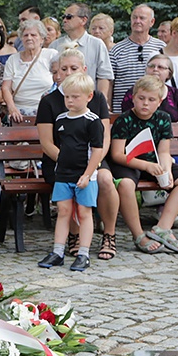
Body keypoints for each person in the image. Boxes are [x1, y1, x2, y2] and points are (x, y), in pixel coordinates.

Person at [37, 48, 119, 261]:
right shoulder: (49, 101)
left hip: (92, 158)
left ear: (83, 70)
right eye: (63, 69)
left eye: (74, 68)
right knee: (70, 186)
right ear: (57, 72)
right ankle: (73, 236)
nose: (68, 72)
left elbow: (104, 137)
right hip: (59, 160)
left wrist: (93, 163)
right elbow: (47, 143)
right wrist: (68, 161)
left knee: (105, 179)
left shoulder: (96, 97)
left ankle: (109, 234)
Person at [110, 75, 178, 254]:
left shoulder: (163, 118)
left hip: (153, 162)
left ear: (160, 101)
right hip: (128, 163)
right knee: (125, 185)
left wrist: (165, 170)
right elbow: (117, 154)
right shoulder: (124, 120)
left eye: (151, 100)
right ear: (133, 98)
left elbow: (163, 151)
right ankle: (139, 235)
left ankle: (163, 228)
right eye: (141, 98)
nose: (145, 104)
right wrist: (146, 166)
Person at [37, 73, 104, 272]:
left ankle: (83, 253)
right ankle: (58, 251)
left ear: (88, 97)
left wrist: (87, 174)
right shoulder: (60, 119)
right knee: (63, 211)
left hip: (85, 175)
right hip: (63, 174)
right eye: (67, 97)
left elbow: (97, 150)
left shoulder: (92, 121)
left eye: (75, 97)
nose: (70, 101)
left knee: (84, 213)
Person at [122, 54, 178, 169]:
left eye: (160, 67)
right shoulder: (133, 93)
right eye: (151, 66)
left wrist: (168, 135)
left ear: (169, 73)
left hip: (171, 144)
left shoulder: (176, 94)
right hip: (141, 145)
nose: (155, 69)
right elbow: (129, 117)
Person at [49, 3, 114, 102]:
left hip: (88, 101)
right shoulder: (54, 46)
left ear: (83, 20)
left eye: (69, 17)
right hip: (60, 102)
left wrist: (101, 101)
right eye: (64, 17)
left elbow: (104, 76)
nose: (64, 20)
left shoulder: (97, 44)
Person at [109, 4, 165, 113]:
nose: (137, 21)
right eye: (134, 17)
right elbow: (110, 81)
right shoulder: (117, 50)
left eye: (142, 18)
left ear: (152, 22)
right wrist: (108, 106)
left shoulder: (161, 47)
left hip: (151, 112)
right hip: (122, 112)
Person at [2, 20, 58, 122]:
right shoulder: (13, 60)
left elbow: (61, 80)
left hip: (47, 110)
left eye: (33, 35)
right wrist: (12, 109)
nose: (29, 38)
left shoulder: (51, 55)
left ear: (42, 38)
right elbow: (6, 88)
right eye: (25, 35)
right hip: (19, 113)